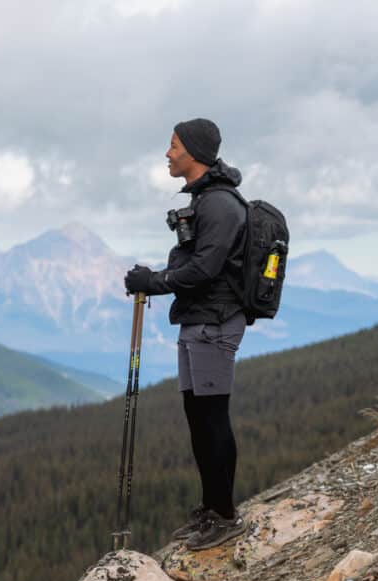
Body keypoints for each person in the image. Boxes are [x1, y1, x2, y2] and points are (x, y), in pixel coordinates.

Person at [124, 117, 248, 551]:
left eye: (174, 145)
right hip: (199, 321)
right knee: (199, 418)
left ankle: (226, 516)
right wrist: (155, 279)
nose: (168, 153)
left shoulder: (218, 204)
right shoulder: (206, 200)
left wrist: (152, 281)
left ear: (193, 151)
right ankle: (212, 509)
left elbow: (205, 268)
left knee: (212, 419)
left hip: (214, 323)